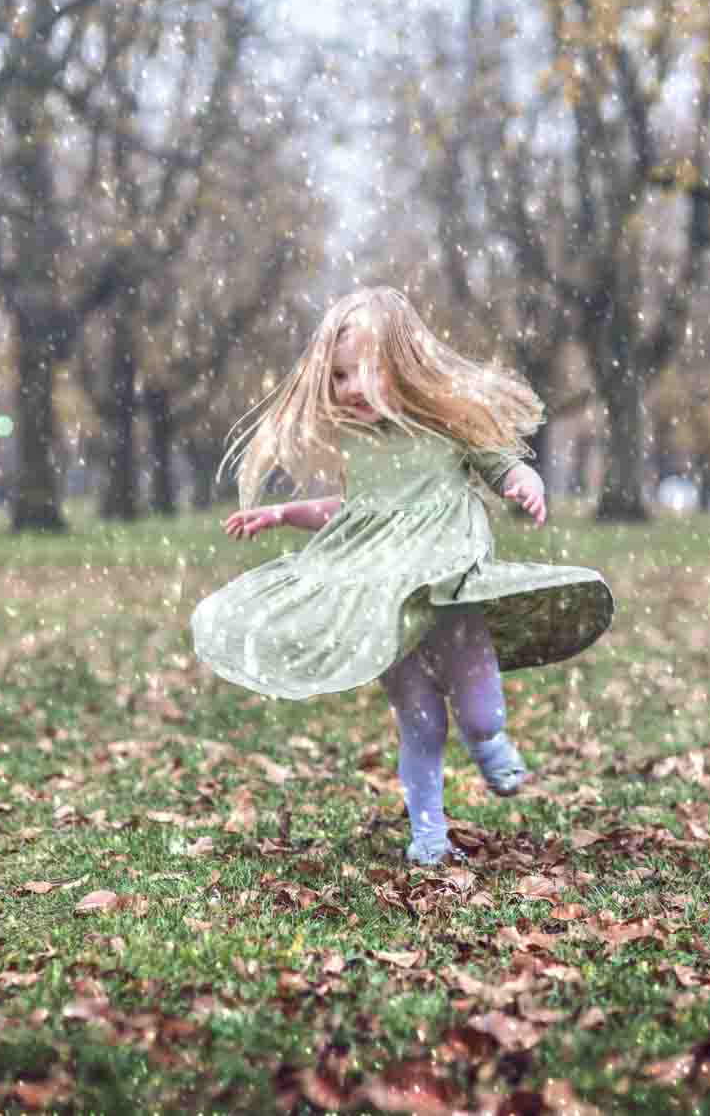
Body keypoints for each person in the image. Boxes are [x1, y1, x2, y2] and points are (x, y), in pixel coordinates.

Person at [191, 288, 614, 865]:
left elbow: (506, 469)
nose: (352, 388)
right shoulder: (358, 443)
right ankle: (429, 837)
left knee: (479, 696)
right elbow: (353, 513)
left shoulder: (449, 427)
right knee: (419, 720)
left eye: (367, 371)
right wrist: (284, 514)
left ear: (404, 366)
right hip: (384, 601)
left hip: (448, 590)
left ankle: (489, 744)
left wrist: (526, 486)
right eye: (339, 376)